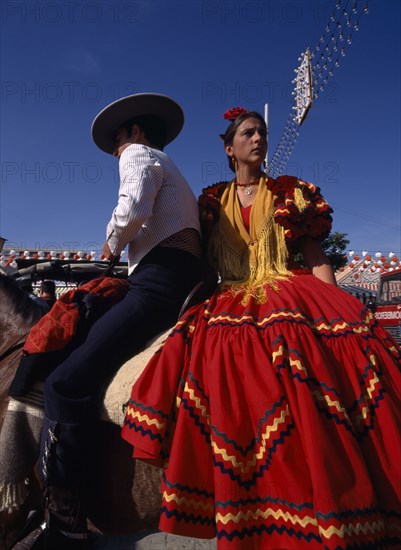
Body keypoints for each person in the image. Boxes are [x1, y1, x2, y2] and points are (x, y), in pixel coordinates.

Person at [121, 107, 401, 549]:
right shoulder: (210, 202)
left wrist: (337, 313)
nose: (259, 139)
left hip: (289, 287)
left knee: (312, 357)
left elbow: (314, 255)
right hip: (230, 293)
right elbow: (202, 263)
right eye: (249, 133)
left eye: (262, 133)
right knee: (202, 352)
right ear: (229, 148)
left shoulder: (291, 192)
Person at [10, 93, 203, 549]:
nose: (117, 150)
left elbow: (132, 207)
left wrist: (111, 243)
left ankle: (66, 522)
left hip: (157, 286)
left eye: (117, 140)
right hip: (175, 279)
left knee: (65, 383)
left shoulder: (139, 154)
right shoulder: (173, 169)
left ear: (134, 133)